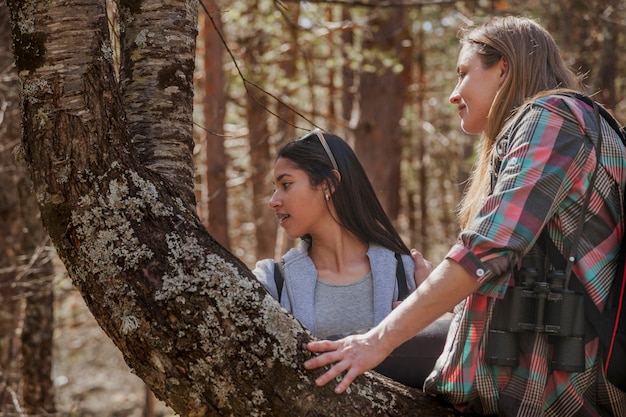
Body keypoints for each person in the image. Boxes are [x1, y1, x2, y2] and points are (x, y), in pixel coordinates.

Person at [304, 15, 626, 416]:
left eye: (463, 73)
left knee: (326, 359)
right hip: (533, 358)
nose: (454, 94)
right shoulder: (573, 124)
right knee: (335, 349)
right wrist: (442, 295)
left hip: (554, 379)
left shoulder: (552, 117)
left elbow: (486, 250)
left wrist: (376, 341)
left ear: (504, 68)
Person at [253, 129, 448, 387]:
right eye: (275, 188)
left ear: (329, 184)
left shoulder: (408, 273)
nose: (273, 201)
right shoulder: (271, 282)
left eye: (286, 184)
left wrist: (432, 311)